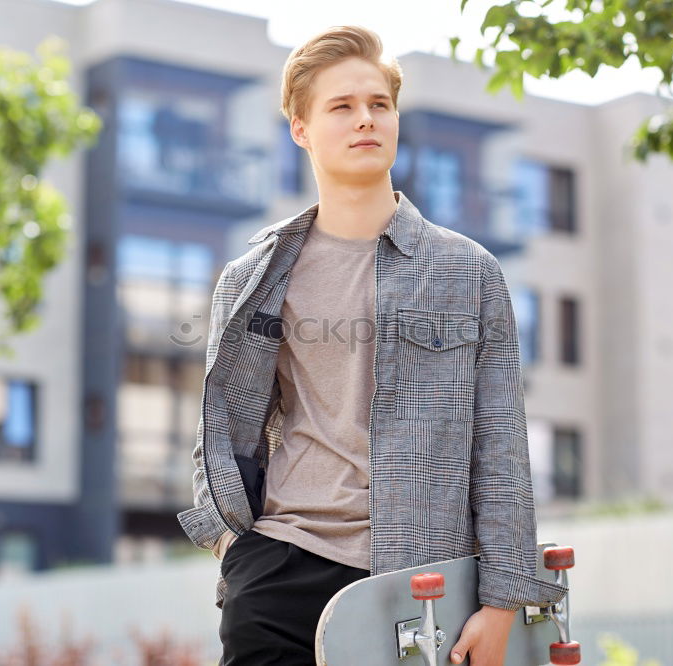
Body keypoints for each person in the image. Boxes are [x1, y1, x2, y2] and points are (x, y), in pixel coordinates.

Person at [176, 25, 568, 666]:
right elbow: (222, 432)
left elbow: (501, 449)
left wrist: (500, 603)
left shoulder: (468, 272)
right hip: (280, 569)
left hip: (420, 583)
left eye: (378, 104)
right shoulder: (252, 279)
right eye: (342, 106)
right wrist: (233, 549)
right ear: (300, 128)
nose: (365, 120)